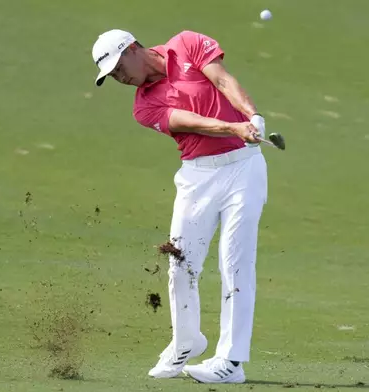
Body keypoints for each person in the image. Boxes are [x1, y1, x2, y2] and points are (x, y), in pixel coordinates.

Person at [91, 28, 268, 384]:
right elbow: (190, 123)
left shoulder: (186, 43)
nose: (118, 77)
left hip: (243, 169)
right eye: (110, 75)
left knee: (235, 263)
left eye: (117, 67)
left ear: (131, 49)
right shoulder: (144, 107)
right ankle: (187, 340)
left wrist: (252, 115)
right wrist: (234, 127)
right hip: (197, 177)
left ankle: (231, 362)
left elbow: (222, 80)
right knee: (180, 261)